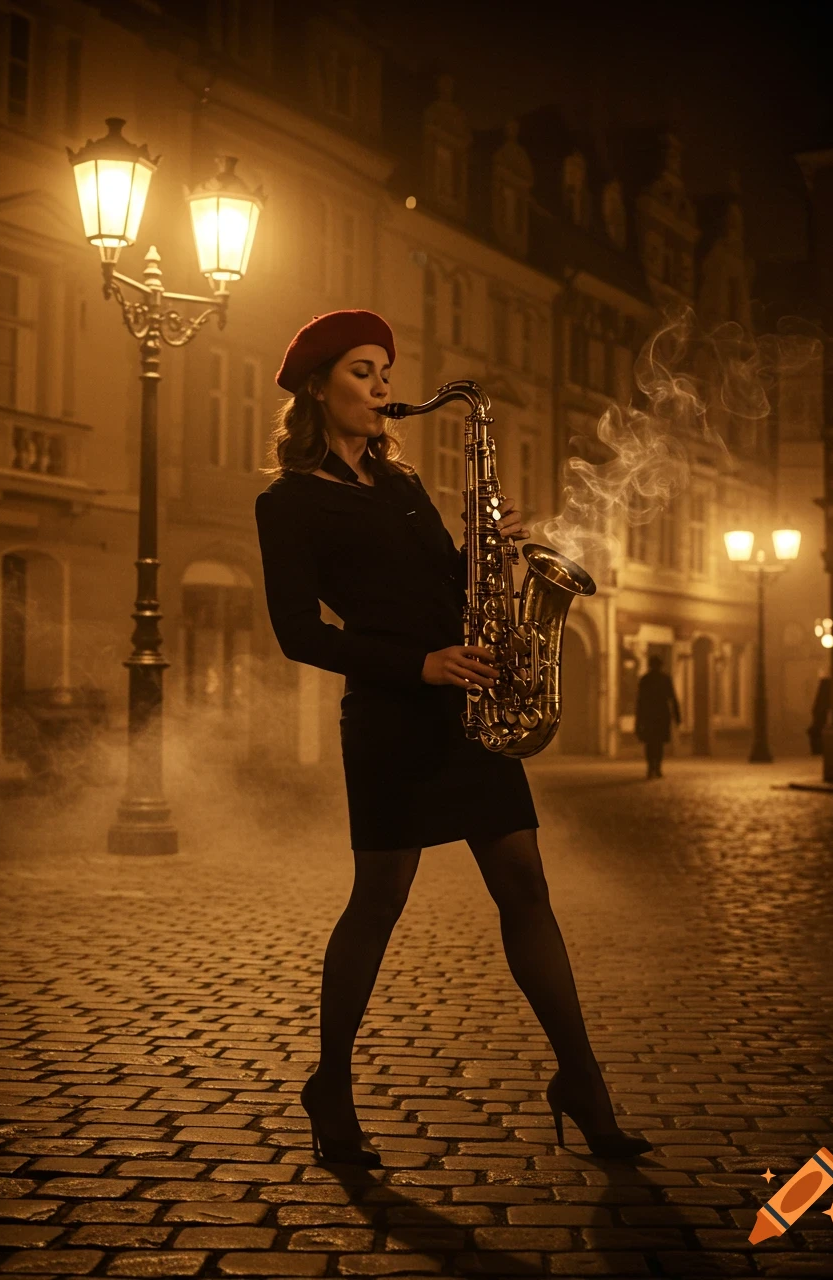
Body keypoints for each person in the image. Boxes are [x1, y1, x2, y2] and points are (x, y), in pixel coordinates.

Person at [255, 309, 652, 1167]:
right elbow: (300, 634)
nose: (383, 388)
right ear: (317, 386)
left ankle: (582, 1080)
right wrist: (419, 666)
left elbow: (443, 582)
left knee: (525, 884)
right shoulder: (286, 501)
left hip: (469, 705)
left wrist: (489, 554)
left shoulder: (402, 485)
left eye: (386, 372)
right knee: (380, 899)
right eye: (363, 371)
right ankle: (331, 1083)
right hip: (394, 713)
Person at [635, 655, 682, 778]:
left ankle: (651, 767)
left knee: (650, 743)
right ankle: (656, 767)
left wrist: (638, 719)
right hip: (661, 714)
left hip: (649, 715)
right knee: (658, 744)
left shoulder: (645, 679)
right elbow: (672, 698)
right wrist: (677, 716)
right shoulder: (665, 679)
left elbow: (640, 701)